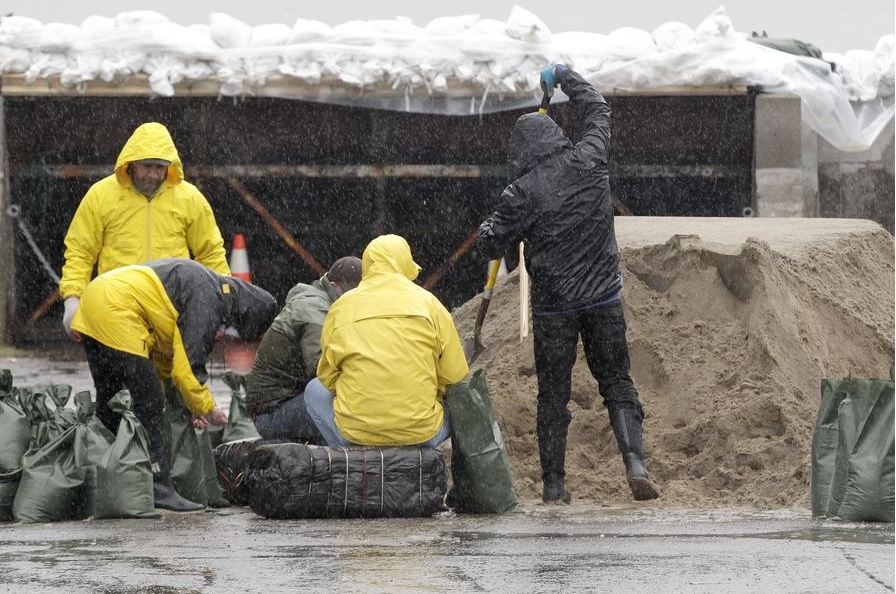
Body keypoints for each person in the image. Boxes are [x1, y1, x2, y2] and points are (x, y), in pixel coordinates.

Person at [475, 62, 660, 504]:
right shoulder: (590, 159)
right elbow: (599, 109)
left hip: (554, 309)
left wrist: (493, 221)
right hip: (603, 298)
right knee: (616, 380)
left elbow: (491, 244)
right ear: (556, 137)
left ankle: (554, 485)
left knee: (552, 396)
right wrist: (564, 75)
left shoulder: (522, 194)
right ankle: (635, 463)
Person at [71, 257, 277, 512]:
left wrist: (189, 406)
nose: (226, 336)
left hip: (95, 300)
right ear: (244, 315)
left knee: (111, 399)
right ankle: (158, 485)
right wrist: (207, 408)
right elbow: (188, 368)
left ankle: (102, 479)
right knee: (150, 403)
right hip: (117, 308)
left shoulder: (206, 288)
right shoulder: (208, 299)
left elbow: (164, 359)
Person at [59, 121, 229, 340]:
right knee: (122, 374)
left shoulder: (190, 198)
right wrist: (72, 299)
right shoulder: (101, 195)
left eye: (160, 167)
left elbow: (211, 253)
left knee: (174, 374)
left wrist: (222, 303)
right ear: (131, 164)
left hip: (173, 308)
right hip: (117, 308)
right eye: (147, 166)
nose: (153, 174)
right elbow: (80, 252)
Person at [304, 234, 469, 448]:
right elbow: (454, 378)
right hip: (422, 436)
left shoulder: (341, 307)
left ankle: (354, 459)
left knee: (314, 390)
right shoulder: (431, 305)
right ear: (405, 263)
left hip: (358, 434)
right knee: (455, 407)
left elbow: (327, 376)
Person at [247, 256, 363, 443]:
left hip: (287, 400)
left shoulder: (327, 302)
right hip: (272, 414)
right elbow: (320, 370)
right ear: (334, 286)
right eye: (353, 295)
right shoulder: (313, 311)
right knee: (353, 409)